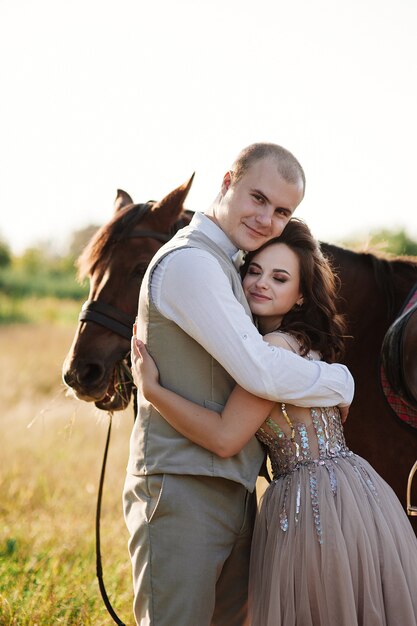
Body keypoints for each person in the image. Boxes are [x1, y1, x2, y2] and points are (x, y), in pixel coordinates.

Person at [132, 218, 417, 626]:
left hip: (312, 502)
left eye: (280, 278)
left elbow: (226, 438)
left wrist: (154, 392)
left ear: (301, 296)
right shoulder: (306, 343)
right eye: (254, 271)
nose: (261, 283)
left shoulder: (271, 350)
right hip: (357, 494)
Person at [123, 143, 354, 626]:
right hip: (182, 489)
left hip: (237, 493)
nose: (267, 218)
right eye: (258, 198)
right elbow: (259, 372)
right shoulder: (190, 263)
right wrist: (339, 381)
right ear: (227, 181)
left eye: (283, 211)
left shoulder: (233, 268)